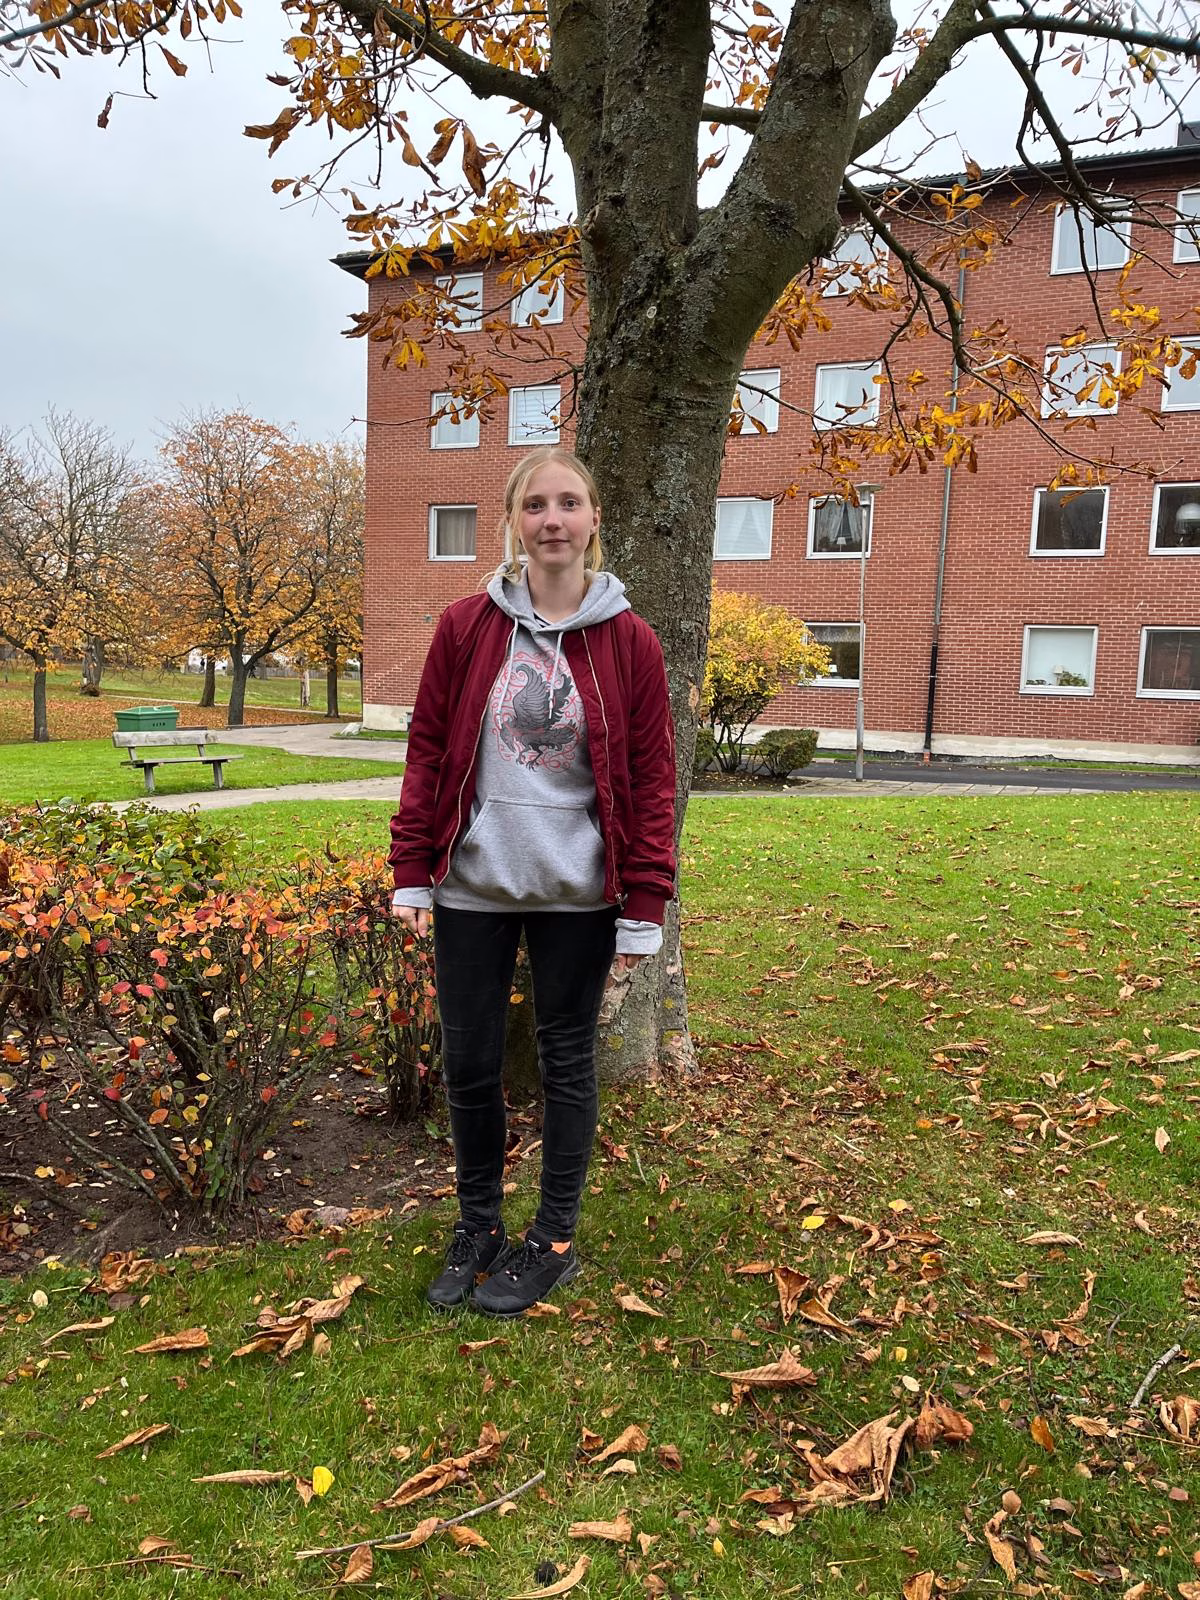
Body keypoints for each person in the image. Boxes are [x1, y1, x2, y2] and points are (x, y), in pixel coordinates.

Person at [388, 446, 677, 1317]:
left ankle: (552, 1239)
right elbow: (428, 750)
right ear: (515, 521)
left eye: (569, 503)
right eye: (536, 505)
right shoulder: (465, 627)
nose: (553, 520)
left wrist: (644, 903)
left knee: (566, 1065)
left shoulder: (630, 640)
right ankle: (477, 1226)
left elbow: (652, 779)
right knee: (470, 1063)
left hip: (577, 896)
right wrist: (411, 871)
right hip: (472, 886)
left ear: (593, 519)